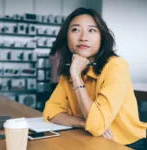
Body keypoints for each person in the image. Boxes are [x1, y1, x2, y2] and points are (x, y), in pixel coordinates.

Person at [43, 8, 147, 149]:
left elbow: (97, 126)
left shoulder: (116, 66)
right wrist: (83, 122)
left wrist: (77, 77)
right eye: (75, 30)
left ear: (102, 38)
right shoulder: (69, 71)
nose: (83, 37)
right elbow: (50, 112)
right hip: (90, 137)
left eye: (92, 30)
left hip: (129, 143)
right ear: (66, 38)